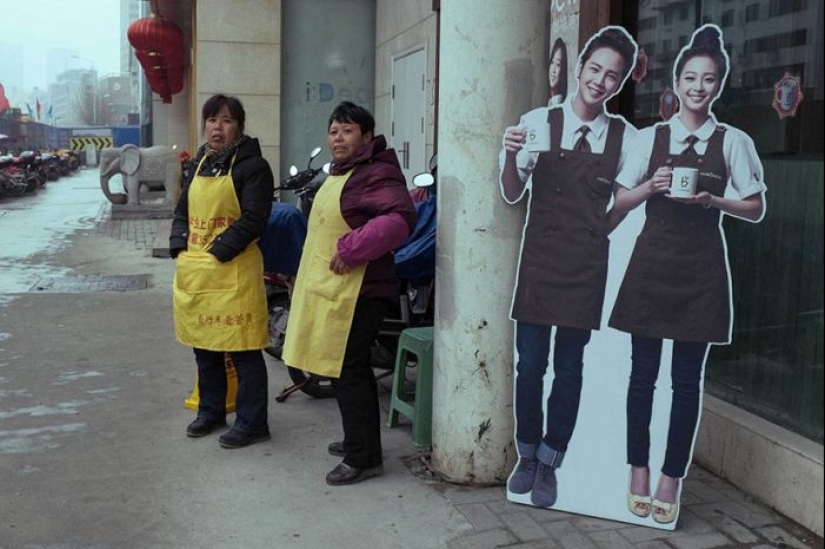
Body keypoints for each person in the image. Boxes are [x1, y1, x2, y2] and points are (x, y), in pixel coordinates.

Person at [607, 25, 767, 524]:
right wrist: (649, 186)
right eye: (691, 77)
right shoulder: (651, 137)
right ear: (676, 82)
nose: (699, 87)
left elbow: (756, 207)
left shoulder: (733, 141)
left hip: (701, 271)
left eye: (709, 79)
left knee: (685, 383)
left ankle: (670, 478)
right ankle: (637, 469)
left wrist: (713, 200)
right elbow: (615, 206)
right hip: (651, 264)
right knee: (641, 377)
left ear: (719, 86)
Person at [499, 26, 639, 508]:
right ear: (580, 68)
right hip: (540, 264)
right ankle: (526, 455)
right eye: (595, 69)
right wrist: (515, 156)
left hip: (585, 269)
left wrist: (603, 229)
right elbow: (512, 192)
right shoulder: (538, 120)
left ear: (619, 86)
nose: (600, 81)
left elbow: (624, 202)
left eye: (612, 77)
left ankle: (551, 461)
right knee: (529, 365)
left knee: (570, 368)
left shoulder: (624, 137)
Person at [282, 101, 416, 486]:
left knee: (349, 369)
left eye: (348, 130)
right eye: (334, 130)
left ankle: (365, 456)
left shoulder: (376, 172)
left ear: (366, 138)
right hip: (337, 290)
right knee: (342, 370)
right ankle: (358, 439)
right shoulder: (344, 173)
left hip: (363, 290)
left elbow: (399, 218)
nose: (338, 138)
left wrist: (350, 248)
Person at [170, 93, 275, 449]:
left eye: (227, 120)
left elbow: (255, 218)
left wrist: (218, 251)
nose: (218, 127)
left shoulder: (253, 166)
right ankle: (211, 410)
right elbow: (182, 209)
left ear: (239, 127)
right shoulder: (200, 162)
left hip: (234, 271)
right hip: (199, 271)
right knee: (205, 346)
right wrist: (180, 245)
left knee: (244, 350)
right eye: (212, 120)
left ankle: (252, 422)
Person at [548, 37, 569, 106]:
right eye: (552, 62)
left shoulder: (557, 103)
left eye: (558, 64)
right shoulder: (551, 100)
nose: (553, 70)